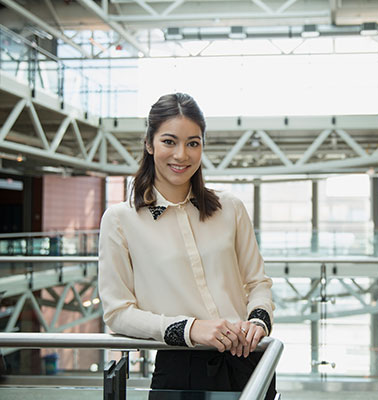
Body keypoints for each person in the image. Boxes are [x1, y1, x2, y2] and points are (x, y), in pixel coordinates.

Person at [98, 92, 276, 399]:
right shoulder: (120, 219)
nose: (182, 154)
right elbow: (117, 312)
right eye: (170, 141)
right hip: (180, 367)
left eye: (193, 143)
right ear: (149, 144)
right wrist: (188, 328)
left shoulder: (230, 208)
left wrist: (258, 321)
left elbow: (257, 283)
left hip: (250, 359)